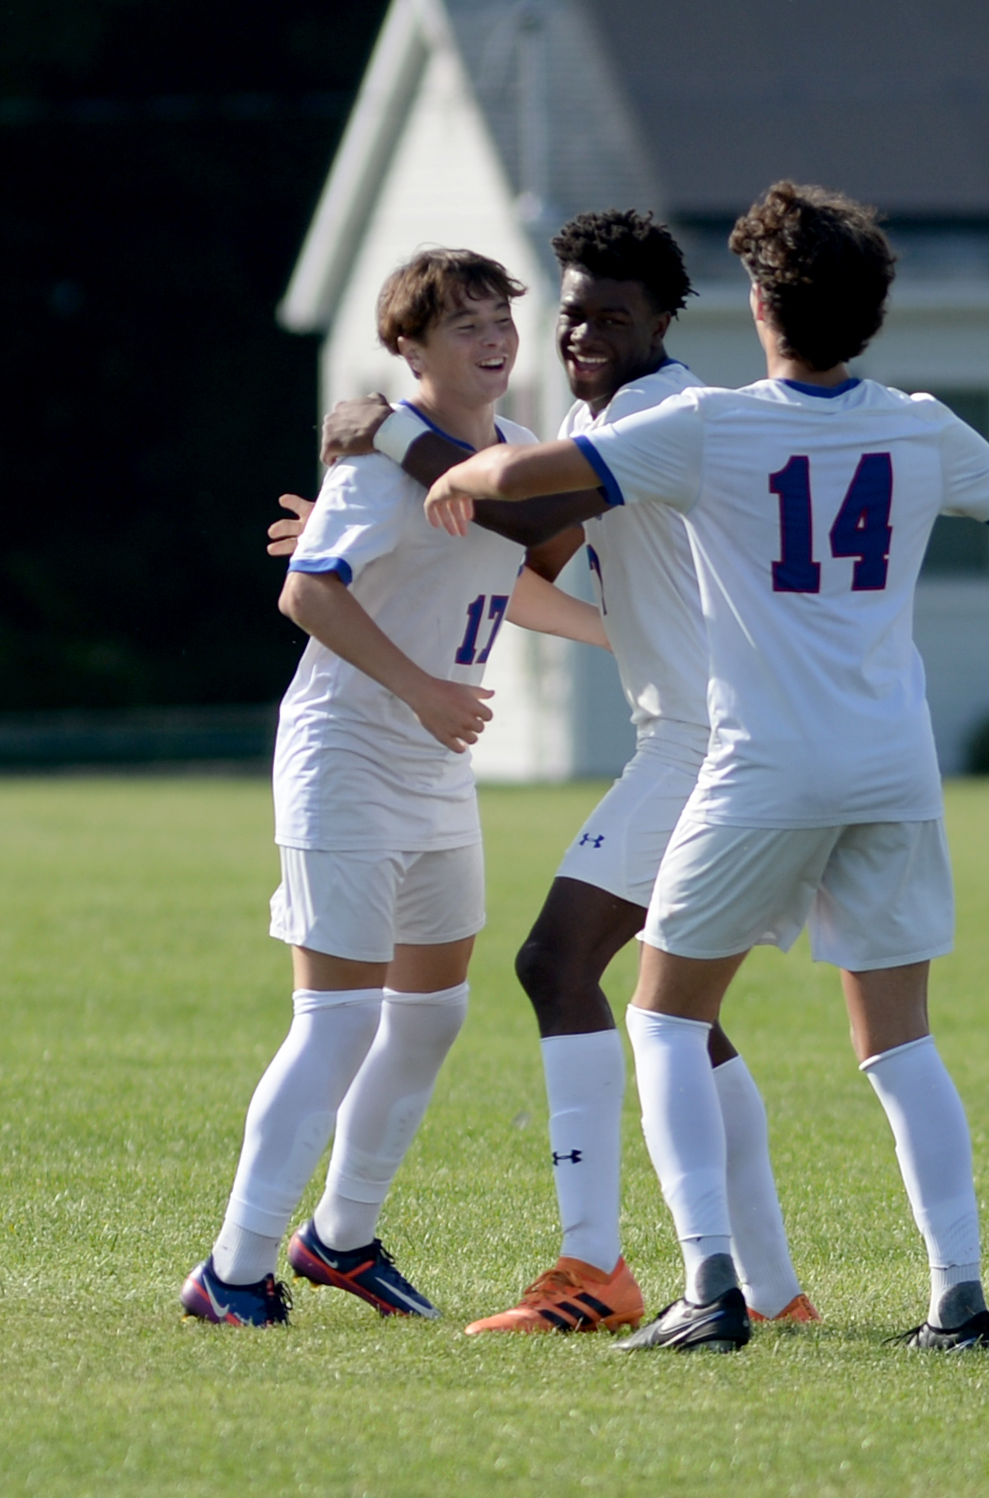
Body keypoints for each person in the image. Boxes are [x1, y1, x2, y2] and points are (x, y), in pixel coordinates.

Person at [416, 181, 989, 1352]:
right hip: (893, 767)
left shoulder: (716, 424)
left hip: (763, 767)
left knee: (668, 1020)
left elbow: (534, 487)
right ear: (872, 312)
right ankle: (960, 1298)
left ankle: (713, 1289)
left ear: (759, 304)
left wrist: (452, 469)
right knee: (900, 1044)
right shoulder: (923, 424)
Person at [290, 209, 816, 1335]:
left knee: (556, 960)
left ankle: (596, 1268)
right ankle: (773, 1290)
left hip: (712, 745)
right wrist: (364, 538)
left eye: (609, 315)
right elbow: (521, 544)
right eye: (569, 310)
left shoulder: (665, 412)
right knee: (686, 1011)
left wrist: (383, 431)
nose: (579, 331)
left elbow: (519, 504)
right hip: (730, 738)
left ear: (664, 320)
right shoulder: (604, 412)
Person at [181, 249, 612, 1327]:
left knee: (430, 1016)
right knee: (336, 1020)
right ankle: (229, 1274)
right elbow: (305, 594)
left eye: (501, 320)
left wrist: (628, 638)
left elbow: (508, 581)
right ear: (409, 348)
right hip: (348, 753)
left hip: (432, 763)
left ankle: (340, 1239)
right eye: (464, 325)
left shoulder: (511, 452)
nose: (496, 340)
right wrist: (422, 688)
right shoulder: (376, 462)